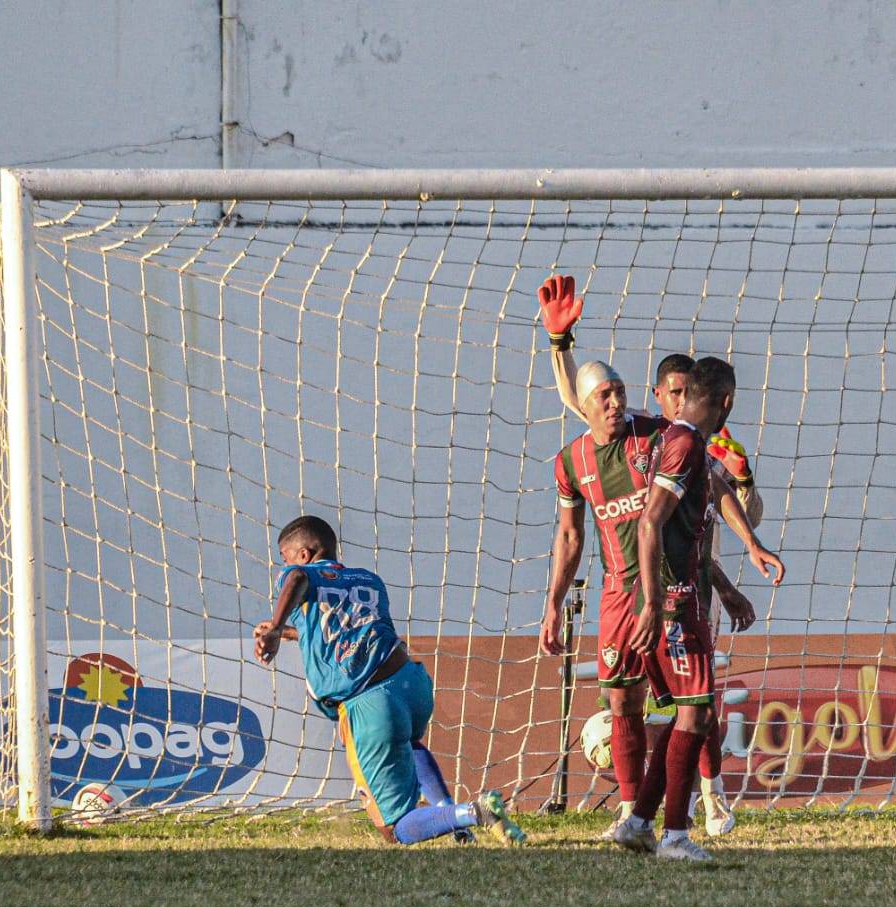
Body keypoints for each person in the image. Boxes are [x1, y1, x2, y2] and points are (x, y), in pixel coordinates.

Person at [536, 276, 783, 840]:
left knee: (696, 703)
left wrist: (741, 552)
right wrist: (552, 604)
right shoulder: (572, 461)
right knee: (625, 701)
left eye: (623, 393)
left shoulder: (655, 437)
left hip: (671, 589)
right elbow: (571, 539)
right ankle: (635, 815)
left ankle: (704, 803)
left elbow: (708, 487)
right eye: (607, 396)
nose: (619, 403)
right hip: (621, 594)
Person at [254, 516, 526, 846]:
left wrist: (272, 627)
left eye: (285, 557)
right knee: (408, 745)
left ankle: (473, 813)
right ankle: (457, 826)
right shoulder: (368, 580)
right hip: (410, 683)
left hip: (369, 701)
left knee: (394, 829)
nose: (282, 568)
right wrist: (285, 632)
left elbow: (296, 578)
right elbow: (337, 629)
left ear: (305, 554)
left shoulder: (299, 573)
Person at [611, 357, 743, 862]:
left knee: (693, 714)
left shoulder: (677, 441)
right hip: (675, 604)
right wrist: (651, 603)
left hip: (676, 598)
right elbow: (649, 524)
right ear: (725, 400)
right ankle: (674, 836)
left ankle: (639, 821)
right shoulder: (685, 444)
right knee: (696, 716)